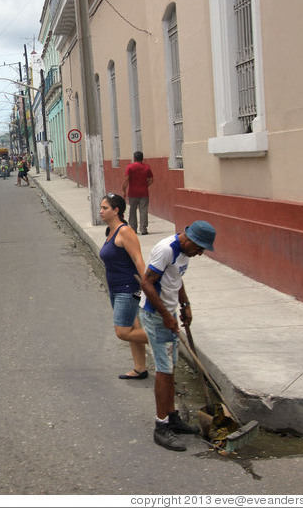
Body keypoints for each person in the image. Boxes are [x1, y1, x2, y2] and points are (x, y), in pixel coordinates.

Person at [138, 220, 217, 451]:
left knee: (170, 369)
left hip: (168, 311)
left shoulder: (184, 253)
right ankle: (160, 427)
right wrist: (166, 316)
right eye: (200, 248)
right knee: (164, 371)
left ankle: (172, 417)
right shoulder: (166, 250)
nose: (200, 254)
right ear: (189, 240)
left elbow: (176, 279)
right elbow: (146, 283)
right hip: (155, 315)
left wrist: (185, 304)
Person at [98, 194, 149, 380]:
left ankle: (163, 338)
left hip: (127, 289)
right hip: (115, 288)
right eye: (101, 207)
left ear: (116, 210)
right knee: (133, 326)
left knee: (123, 332)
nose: (101, 211)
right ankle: (140, 368)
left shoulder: (125, 231)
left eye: (105, 208)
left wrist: (148, 288)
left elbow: (138, 260)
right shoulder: (110, 231)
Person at [122, 151, 154, 235]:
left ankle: (133, 229)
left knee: (132, 210)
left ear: (134, 158)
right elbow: (151, 179)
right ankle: (143, 229)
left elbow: (126, 179)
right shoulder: (147, 167)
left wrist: (124, 190)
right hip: (144, 192)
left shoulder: (130, 167)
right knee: (143, 210)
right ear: (142, 158)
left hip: (132, 193)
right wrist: (145, 185)